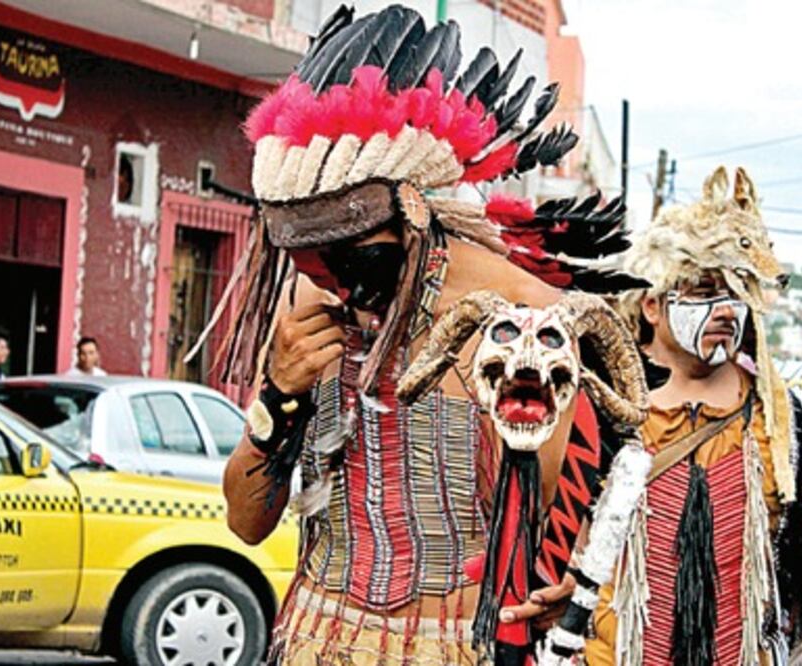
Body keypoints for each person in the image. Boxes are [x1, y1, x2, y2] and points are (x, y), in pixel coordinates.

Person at [217, 5, 637, 664]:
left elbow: (557, 548)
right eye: (303, 253)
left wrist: (569, 578)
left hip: (458, 643)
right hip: (317, 639)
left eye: (347, 252)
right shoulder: (308, 300)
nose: (330, 282)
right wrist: (278, 397)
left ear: (411, 208)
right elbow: (246, 522)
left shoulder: (520, 316)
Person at [510, 167, 802, 665]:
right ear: (652, 306)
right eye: (705, 293)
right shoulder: (595, 408)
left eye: (735, 294)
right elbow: (542, 528)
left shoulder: (776, 415)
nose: (727, 310)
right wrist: (555, 592)